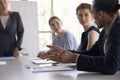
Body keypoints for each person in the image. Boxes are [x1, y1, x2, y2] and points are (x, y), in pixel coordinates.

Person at [38, 0, 120, 74]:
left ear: (100, 14)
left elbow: (111, 64)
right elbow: (92, 53)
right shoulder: (105, 30)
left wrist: (74, 58)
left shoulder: (117, 27)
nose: (93, 19)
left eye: (93, 14)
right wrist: (64, 52)